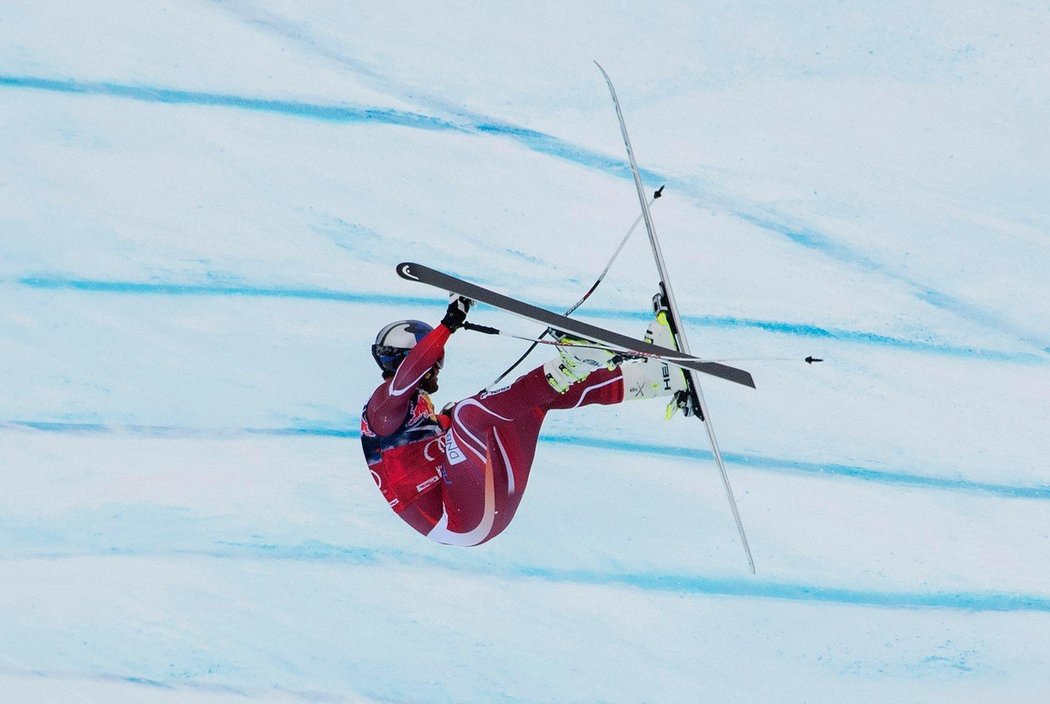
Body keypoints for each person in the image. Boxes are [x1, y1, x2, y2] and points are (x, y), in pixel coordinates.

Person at [360, 294, 686, 546]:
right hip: (461, 519)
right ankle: (570, 366)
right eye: (436, 361)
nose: (438, 368)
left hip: (485, 504)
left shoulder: (411, 413)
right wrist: (450, 322)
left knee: (526, 404)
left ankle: (655, 379)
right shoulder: (382, 406)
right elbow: (408, 375)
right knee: (466, 414)